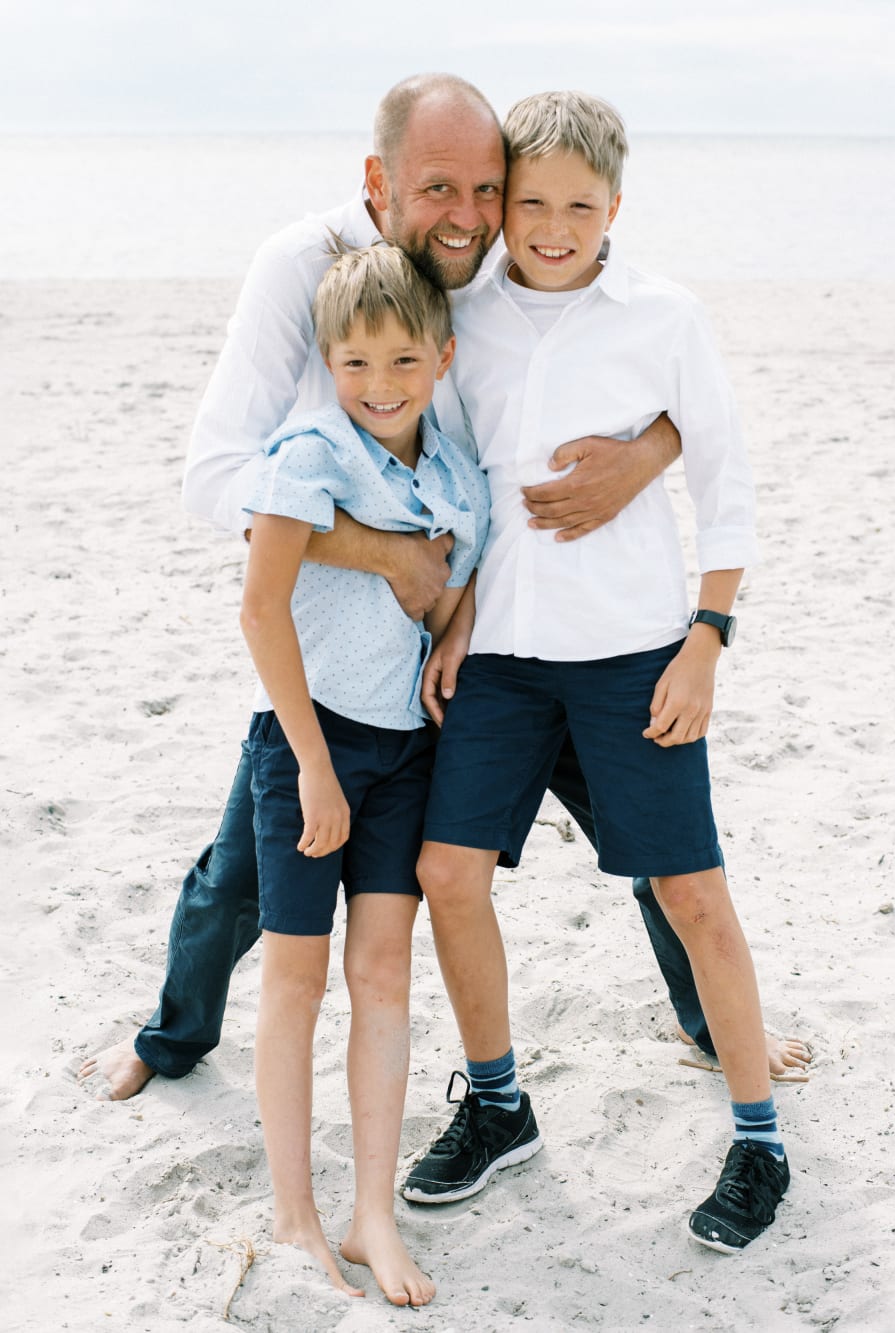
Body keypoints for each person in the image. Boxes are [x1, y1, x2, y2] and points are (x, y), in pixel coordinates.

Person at [77, 72, 803, 1104]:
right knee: (245, 863)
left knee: (645, 839)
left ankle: (712, 1026)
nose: (467, 218)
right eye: (437, 190)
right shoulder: (300, 266)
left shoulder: (508, 266)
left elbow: (634, 366)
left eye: (484, 189)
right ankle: (172, 1035)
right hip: (348, 641)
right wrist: (382, 553)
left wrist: (650, 452)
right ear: (378, 180)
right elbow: (210, 477)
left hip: (504, 621)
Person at [405, 91, 793, 1253]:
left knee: (692, 894)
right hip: (506, 661)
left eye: (581, 204)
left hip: (635, 657)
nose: (555, 225)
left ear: (615, 205)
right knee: (447, 872)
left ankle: (761, 1136)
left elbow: (726, 481)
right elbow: (458, 477)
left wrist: (707, 642)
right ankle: (498, 1103)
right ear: (503, 205)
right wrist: (457, 608)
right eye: (532, 202)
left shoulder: (662, 315)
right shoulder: (464, 314)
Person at [239, 242, 489, 1304]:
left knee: (382, 975)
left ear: (439, 357)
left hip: (405, 754)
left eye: (399, 361)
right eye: (354, 364)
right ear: (326, 362)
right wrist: (313, 771)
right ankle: (296, 1214)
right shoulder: (307, 455)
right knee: (295, 980)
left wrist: (454, 634)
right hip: (309, 747)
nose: (378, 386)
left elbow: (462, 578)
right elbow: (259, 608)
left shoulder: (457, 472)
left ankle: (370, 1213)